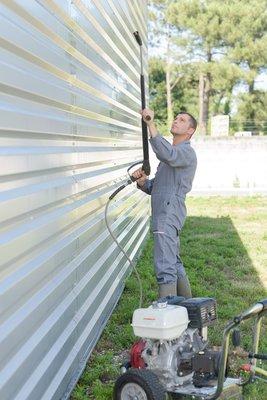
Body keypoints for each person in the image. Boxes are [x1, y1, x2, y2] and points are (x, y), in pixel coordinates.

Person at [132, 108, 197, 299]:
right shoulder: (172, 156)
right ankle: (189, 309)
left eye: (182, 120)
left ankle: (166, 316)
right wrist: (143, 182)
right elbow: (157, 187)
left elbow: (166, 153)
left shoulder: (185, 152)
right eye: (176, 118)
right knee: (173, 262)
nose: (176, 120)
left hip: (169, 213)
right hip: (165, 211)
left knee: (165, 265)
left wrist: (150, 124)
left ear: (190, 130)